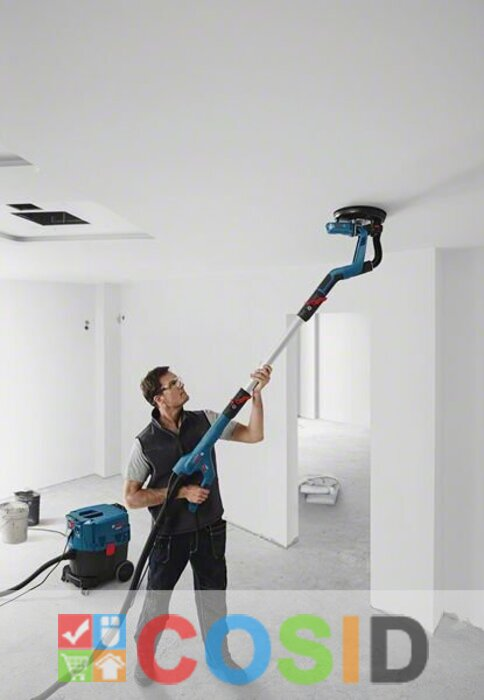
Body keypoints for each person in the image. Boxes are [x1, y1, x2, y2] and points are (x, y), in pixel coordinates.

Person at [123, 364, 272, 686]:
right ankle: (146, 661)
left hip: (210, 529)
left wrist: (257, 396)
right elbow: (131, 498)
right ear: (158, 398)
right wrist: (178, 492)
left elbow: (254, 434)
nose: (181, 385)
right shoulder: (144, 443)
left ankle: (220, 658)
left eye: (179, 380)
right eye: (173, 383)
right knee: (156, 603)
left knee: (213, 599)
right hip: (169, 536)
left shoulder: (207, 421)